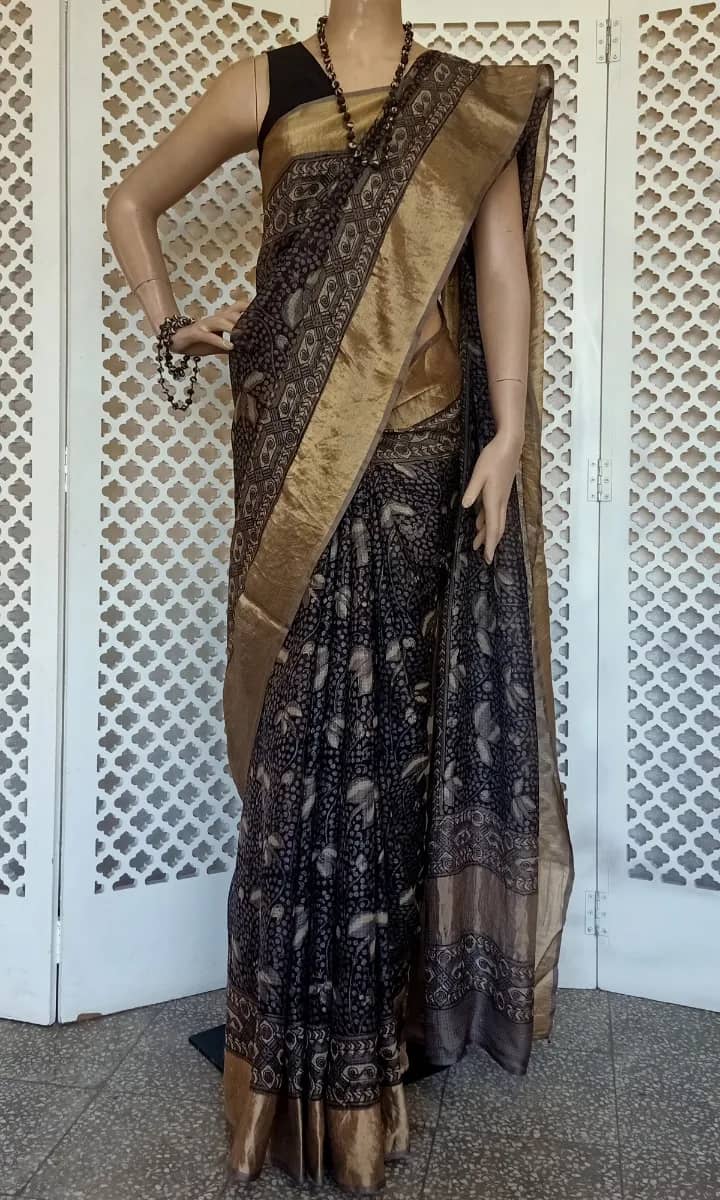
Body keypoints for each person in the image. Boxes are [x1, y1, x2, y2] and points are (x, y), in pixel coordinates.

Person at [105, 2, 574, 1193]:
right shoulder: (262, 83)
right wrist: (172, 321)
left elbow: (500, 267)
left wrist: (509, 434)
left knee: (390, 749)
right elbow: (131, 200)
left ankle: (372, 1042)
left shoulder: (466, 96)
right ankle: (282, 1057)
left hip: (420, 457)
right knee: (297, 750)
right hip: (291, 462)